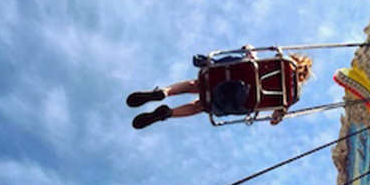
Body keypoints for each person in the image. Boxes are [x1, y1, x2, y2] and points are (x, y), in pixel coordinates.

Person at [127, 47, 313, 129]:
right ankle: (167, 114)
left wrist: (250, 50)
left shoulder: (279, 61)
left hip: (222, 76)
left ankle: (164, 92)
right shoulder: (291, 96)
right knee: (200, 106)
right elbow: (274, 120)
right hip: (237, 100)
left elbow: (250, 53)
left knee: (196, 84)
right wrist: (280, 114)